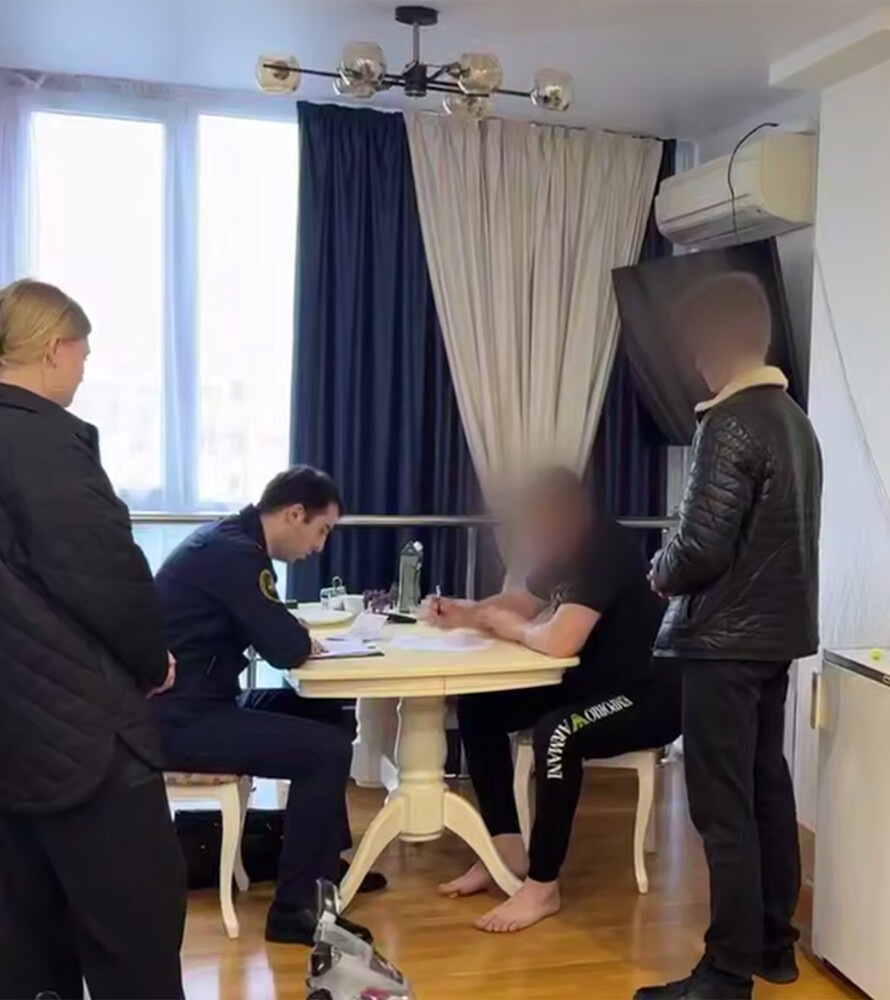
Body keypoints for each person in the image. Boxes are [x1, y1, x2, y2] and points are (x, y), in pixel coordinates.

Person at [636, 272, 822, 1000]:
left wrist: (660, 569)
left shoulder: (730, 420)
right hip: (775, 637)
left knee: (722, 806)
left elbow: (702, 547)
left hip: (723, 640)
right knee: (767, 788)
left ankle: (725, 972)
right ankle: (774, 945)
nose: (693, 362)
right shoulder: (796, 421)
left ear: (716, 341)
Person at [0, 279, 187, 1000]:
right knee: (133, 940)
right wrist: (152, 661)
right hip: (81, 736)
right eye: (83, 352)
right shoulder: (44, 441)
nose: (84, 367)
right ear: (54, 348)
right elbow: (106, 578)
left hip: (15, 735)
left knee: (27, 952)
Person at [431, 467, 679, 934]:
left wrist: (511, 628)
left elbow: (560, 640)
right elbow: (521, 604)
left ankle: (543, 886)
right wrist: (466, 613)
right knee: (480, 705)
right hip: (595, 684)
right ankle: (505, 852)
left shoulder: (605, 547)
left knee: (558, 734)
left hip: (647, 694)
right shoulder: (562, 548)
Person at [152, 465, 384, 947]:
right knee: (324, 752)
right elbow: (286, 648)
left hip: (201, 700)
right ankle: (294, 910)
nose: (319, 546)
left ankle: (323, 866)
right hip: (181, 719)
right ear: (295, 514)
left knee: (325, 714)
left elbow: (276, 631)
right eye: (322, 530)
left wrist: (290, 633)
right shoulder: (236, 555)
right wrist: (294, 636)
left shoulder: (231, 542)